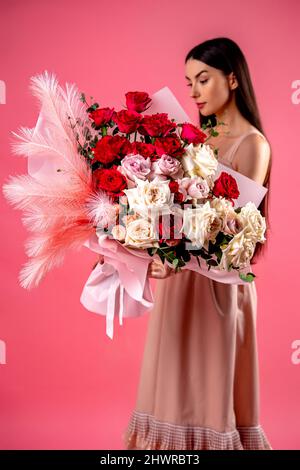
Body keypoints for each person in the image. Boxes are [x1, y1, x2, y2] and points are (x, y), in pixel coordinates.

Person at [122, 37, 272, 450]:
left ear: (233, 78)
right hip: (181, 279)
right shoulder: (195, 141)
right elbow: (176, 211)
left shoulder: (253, 144)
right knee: (169, 384)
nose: (193, 92)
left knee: (209, 392)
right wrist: (148, 244)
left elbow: (232, 227)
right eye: (188, 82)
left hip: (218, 285)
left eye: (203, 80)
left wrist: (176, 250)